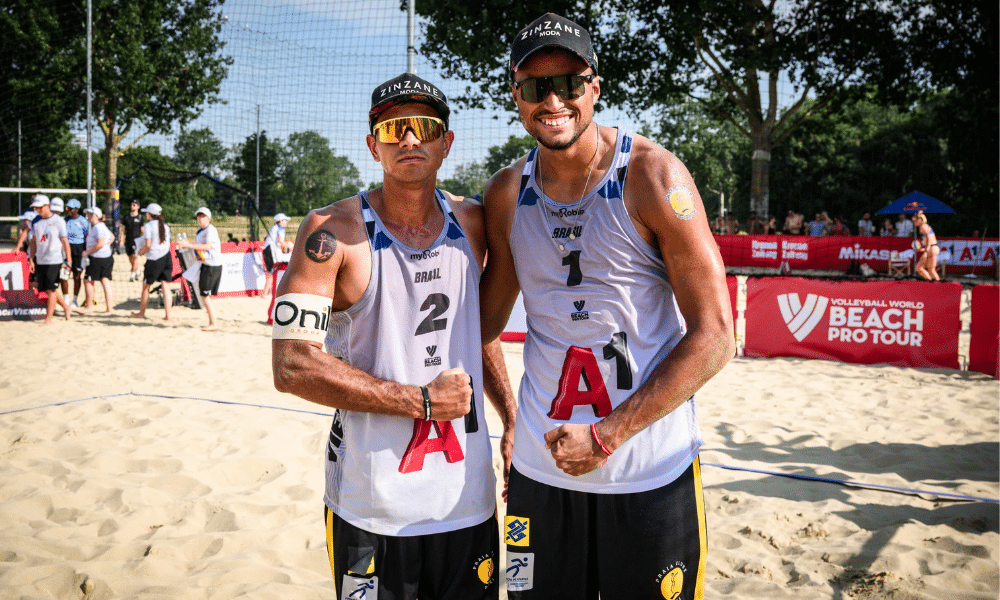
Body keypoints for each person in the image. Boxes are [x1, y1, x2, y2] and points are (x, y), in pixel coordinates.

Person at [480, 14, 735, 599]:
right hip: (542, 480)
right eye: (533, 86)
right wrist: (513, 418)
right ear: (515, 95)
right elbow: (482, 324)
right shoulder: (506, 193)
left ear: (594, 87)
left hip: (647, 473)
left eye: (569, 83)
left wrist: (606, 435)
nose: (553, 100)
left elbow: (718, 334)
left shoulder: (651, 174)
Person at [270, 72, 516, 600]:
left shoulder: (471, 221)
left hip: (464, 500)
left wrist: (512, 418)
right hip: (371, 502)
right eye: (393, 128)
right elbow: (291, 365)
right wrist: (422, 402)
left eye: (423, 127)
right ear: (372, 144)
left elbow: (474, 329)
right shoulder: (329, 231)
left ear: (445, 143)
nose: (408, 139)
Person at [28, 194, 72, 324]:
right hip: (41, 259)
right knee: (47, 289)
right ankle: (66, 307)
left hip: (55, 259)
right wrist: (31, 259)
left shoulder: (58, 221)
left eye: (39, 207)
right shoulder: (36, 222)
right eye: (35, 208)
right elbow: (33, 242)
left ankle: (48, 319)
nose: (37, 210)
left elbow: (65, 241)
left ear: (47, 206)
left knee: (51, 289)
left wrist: (68, 260)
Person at [178, 207, 223, 331]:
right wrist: (196, 254)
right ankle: (212, 322)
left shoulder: (211, 230)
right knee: (204, 295)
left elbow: (207, 246)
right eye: (198, 216)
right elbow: (201, 249)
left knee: (204, 295)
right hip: (206, 264)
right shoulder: (200, 231)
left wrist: (188, 245)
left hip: (212, 266)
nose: (199, 218)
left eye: (202, 216)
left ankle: (213, 323)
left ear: (208, 218)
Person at [130, 203, 173, 320]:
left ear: (150, 214)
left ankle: (141, 313)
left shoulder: (149, 226)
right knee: (166, 287)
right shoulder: (165, 226)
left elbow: (148, 245)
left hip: (154, 259)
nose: (145, 214)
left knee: (146, 287)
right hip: (167, 257)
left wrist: (139, 253)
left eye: (147, 212)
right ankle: (168, 316)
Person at [76, 207, 115, 314]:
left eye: (89, 214)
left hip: (97, 258)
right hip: (106, 257)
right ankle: (109, 308)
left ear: (95, 216)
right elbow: (112, 237)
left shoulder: (98, 227)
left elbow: (101, 243)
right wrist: (107, 245)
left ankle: (89, 307)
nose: (88, 216)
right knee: (105, 281)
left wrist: (87, 252)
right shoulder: (102, 226)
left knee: (88, 280)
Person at [63, 198, 89, 306]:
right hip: (67, 247)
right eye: (67, 208)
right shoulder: (65, 220)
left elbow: (87, 236)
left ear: (76, 209)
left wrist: (86, 252)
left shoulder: (83, 221)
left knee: (77, 275)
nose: (67, 210)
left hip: (79, 247)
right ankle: (65, 299)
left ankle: (74, 300)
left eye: (69, 208)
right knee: (64, 274)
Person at [262, 213, 293, 296]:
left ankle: (266, 293)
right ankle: (266, 293)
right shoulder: (280, 228)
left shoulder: (275, 228)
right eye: (285, 220)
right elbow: (281, 241)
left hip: (268, 250)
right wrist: (291, 247)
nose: (286, 222)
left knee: (272, 272)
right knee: (275, 271)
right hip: (271, 250)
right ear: (281, 221)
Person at [121, 199, 145, 281]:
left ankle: (132, 275)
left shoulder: (140, 217)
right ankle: (137, 270)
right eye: (132, 204)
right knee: (130, 257)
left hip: (136, 241)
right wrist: (121, 240)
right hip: (128, 240)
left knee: (135, 258)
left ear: (138, 207)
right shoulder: (126, 217)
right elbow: (123, 230)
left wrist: (143, 241)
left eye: (134, 205)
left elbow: (142, 230)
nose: (132, 206)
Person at [912, 211, 940, 281]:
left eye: (915, 221)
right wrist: (921, 249)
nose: (914, 223)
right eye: (913, 221)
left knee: (919, 268)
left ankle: (931, 282)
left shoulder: (923, 226)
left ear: (920, 219)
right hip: (933, 248)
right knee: (931, 270)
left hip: (931, 248)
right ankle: (937, 285)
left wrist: (926, 251)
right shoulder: (925, 226)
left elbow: (930, 238)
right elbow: (928, 240)